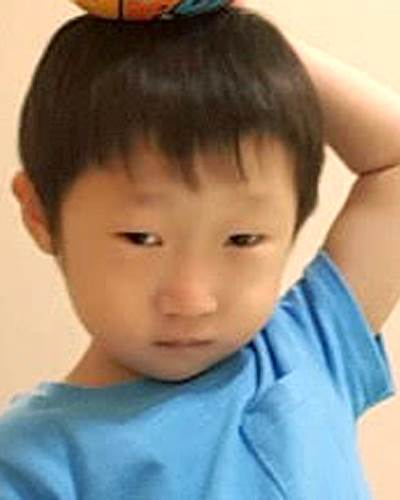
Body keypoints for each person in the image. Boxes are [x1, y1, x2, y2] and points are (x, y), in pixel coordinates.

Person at [1, 3, 399, 499]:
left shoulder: (307, 347)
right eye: (142, 238)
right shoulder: (29, 463)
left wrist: (236, 37)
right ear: (40, 214)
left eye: (242, 239)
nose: (192, 300)